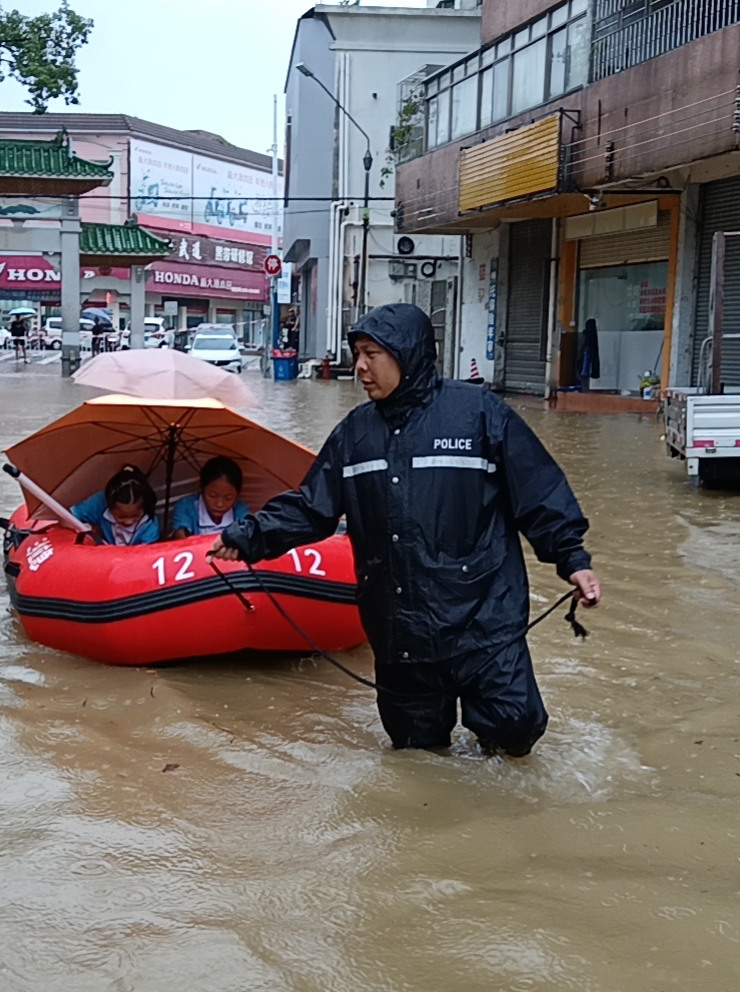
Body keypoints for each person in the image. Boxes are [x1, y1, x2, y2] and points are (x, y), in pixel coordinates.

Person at [210, 303, 600, 758]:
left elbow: (537, 491)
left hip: (484, 617)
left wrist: (573, 560)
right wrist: (247, 536)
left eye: (371, 354)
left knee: (513, 730)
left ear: (407, 352)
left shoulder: (477, 414)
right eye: (356, 354)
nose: (359, 367)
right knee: (416, 753)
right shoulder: (354, 435)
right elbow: (311, 507)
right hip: (401, 626)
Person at [70, 465, 161, 546]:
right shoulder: (99, 503)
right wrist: (85, 530)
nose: (128, 521)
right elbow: (68, 516)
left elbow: (145, 557)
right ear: (107, 504)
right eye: (121, 516)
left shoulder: (150, 526)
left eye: (136, 515)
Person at [170, 456, 249, 539]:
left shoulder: (240, 509)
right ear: (202, 488)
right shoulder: (186, 506)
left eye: (228, 498)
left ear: (237, 495)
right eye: (212, 495)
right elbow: (181, 534)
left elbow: (247, 534)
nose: (219, 504)